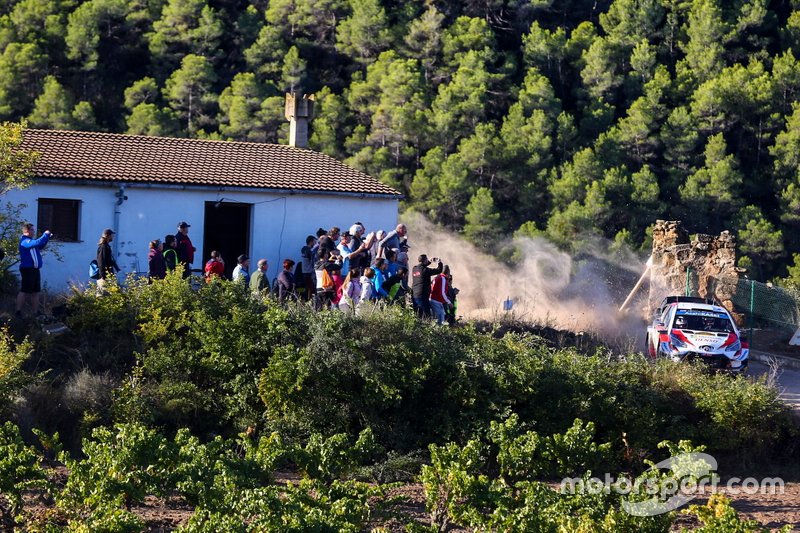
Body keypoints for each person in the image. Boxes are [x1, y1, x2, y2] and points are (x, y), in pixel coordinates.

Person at [16, 222, 51, 318]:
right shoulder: (25, 241)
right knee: (24, 290)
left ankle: (35, 312)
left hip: (35, 270)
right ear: (26, 231)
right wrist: (45, 234)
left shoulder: (31, 241)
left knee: (35, 291)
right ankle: (18, 311)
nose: (34, 231)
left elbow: (41, 245)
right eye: (32, 230)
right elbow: (37, 242)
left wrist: (47, 238)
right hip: (27, 269)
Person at [300, 235, 317, 301]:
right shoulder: (307, 250)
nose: (315, 243)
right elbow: (312, 259)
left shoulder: (305, 250)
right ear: (311, 242)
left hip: (306, 272)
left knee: (308, 289)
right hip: (308, 273)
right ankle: (308, 302)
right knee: (310, 289)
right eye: (314, 242)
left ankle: (307, 301)